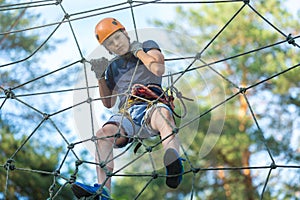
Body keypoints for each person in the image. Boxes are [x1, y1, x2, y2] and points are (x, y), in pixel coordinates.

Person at [71, 17, 183, 199]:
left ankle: (173, 161)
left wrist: (138, 52)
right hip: (127, 113)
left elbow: (158, 69)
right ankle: (103, 190)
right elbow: (108, 103)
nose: (116, 44)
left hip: (151, 105)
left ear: (125, 33)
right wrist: (100, 77)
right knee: (102, 135)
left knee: (163, 116)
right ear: (107, 49)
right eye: (110, 43)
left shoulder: (147, 46)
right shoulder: (113, 67)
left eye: (117, 38)